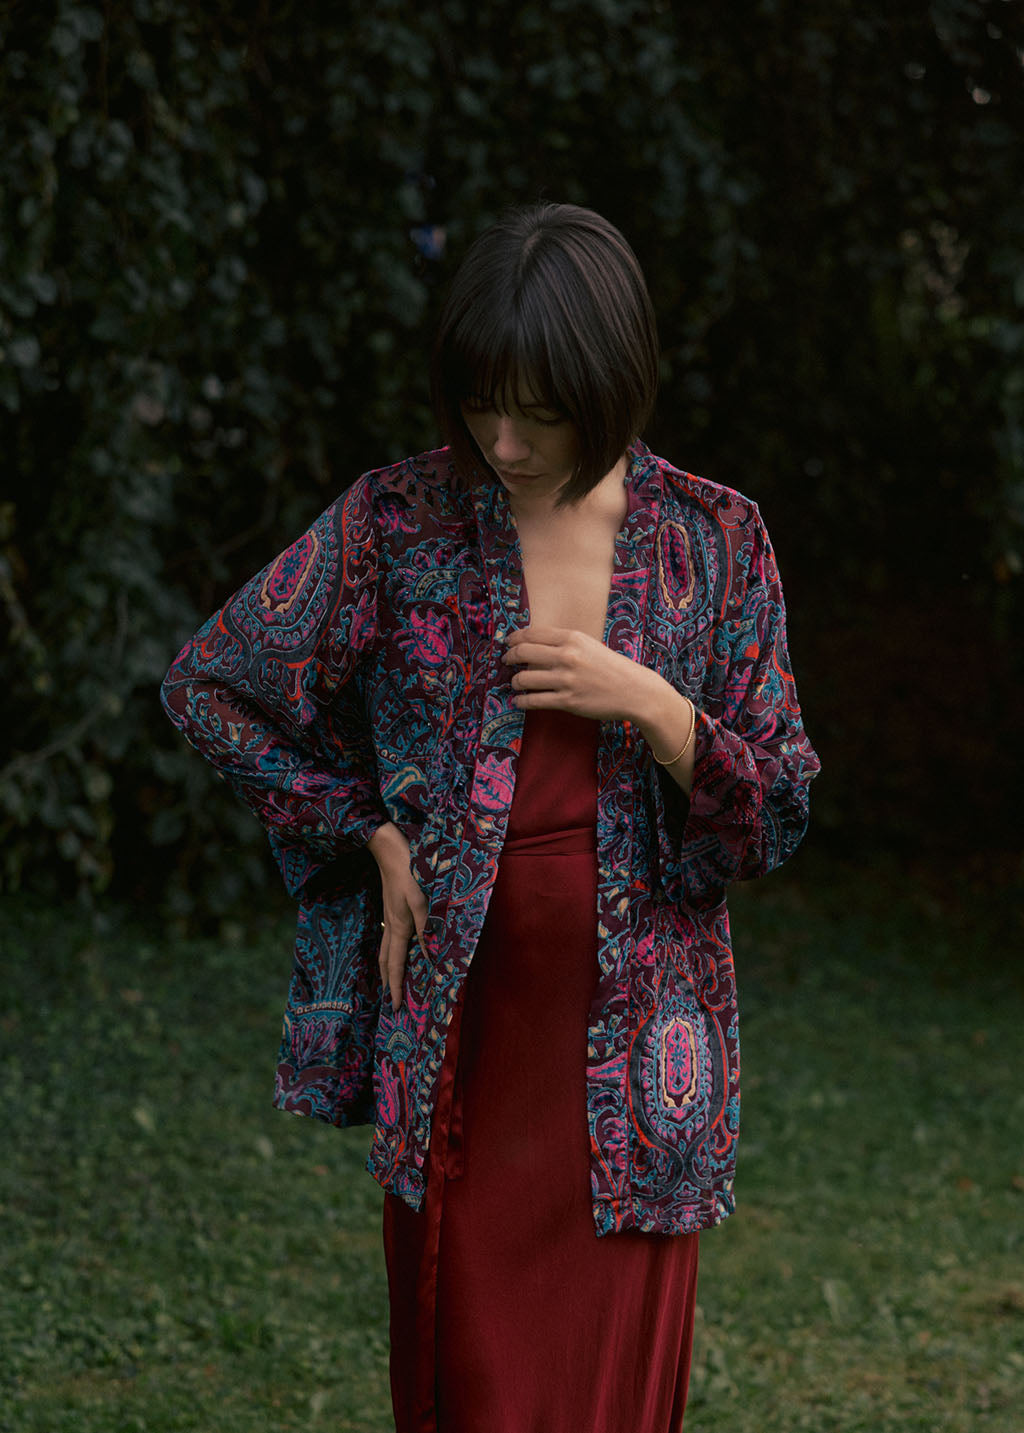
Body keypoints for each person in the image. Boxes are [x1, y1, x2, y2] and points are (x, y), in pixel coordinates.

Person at [161, 202, 820, 1432]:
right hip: (464, 1036)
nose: (502, 442)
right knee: (476, 1381)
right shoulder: (397, 520)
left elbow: (775, 811)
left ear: (610, 387)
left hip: (637, 1064)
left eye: (540, 411)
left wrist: (655, 706)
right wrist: (368, 830)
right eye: (478, 405)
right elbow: (213, 685)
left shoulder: (715, 539)